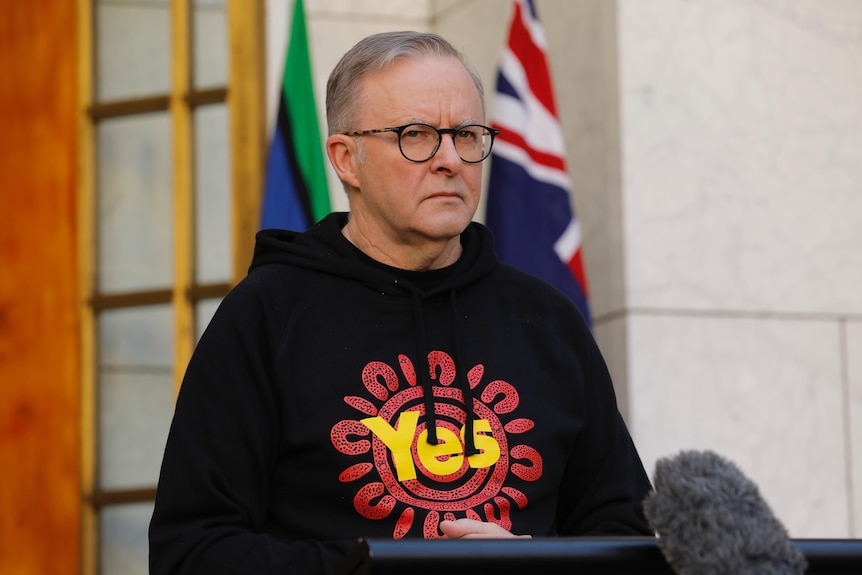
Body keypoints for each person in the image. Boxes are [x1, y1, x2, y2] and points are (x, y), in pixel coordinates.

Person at [149, 30, 653, 575]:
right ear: (346, 159)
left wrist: (524, 562)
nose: (449, 160)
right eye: (416, 135)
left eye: (465, 134)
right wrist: (395, 568)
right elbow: (192, 553)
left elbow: (626, 541)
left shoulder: (548, 321)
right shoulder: (264, 317)